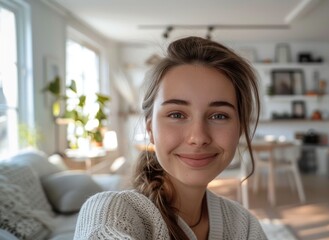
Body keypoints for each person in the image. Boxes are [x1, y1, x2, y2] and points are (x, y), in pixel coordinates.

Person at [74, 36, 266, 240]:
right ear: (150, 130)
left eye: (219, 115)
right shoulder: (110, 213)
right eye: (177, 115)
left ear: (240, 128)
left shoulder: (244, 226)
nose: (198, 137)